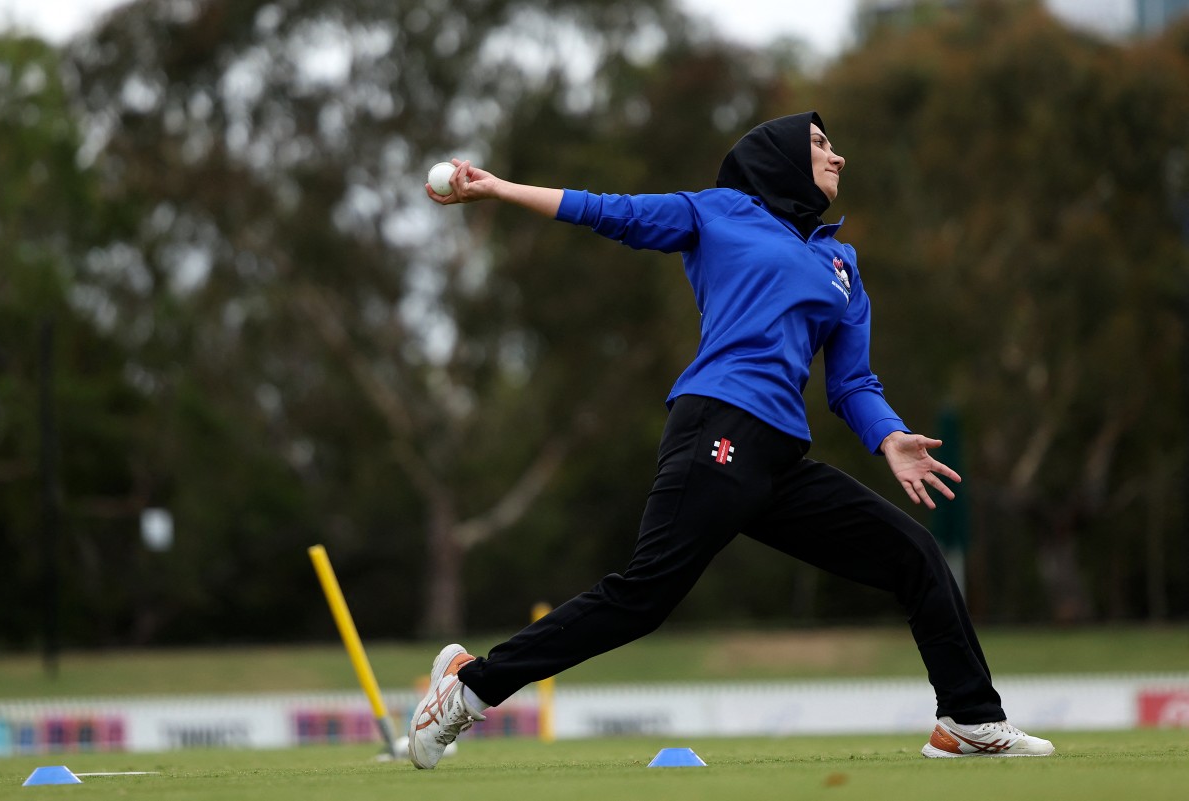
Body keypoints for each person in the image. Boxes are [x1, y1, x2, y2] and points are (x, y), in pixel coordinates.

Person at [408, 111, 1054, 769]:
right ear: (779, 157)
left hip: (779, 459)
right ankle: (467, 686)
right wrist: (499, 189)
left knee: (915, 554)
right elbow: (613, 212)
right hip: (717, 428)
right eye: (821, 145)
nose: (839, 158)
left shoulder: (841, 263)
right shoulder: (719, 212)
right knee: (642, 598)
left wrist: (888, 435)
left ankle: (969, 719)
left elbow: (853, 381)